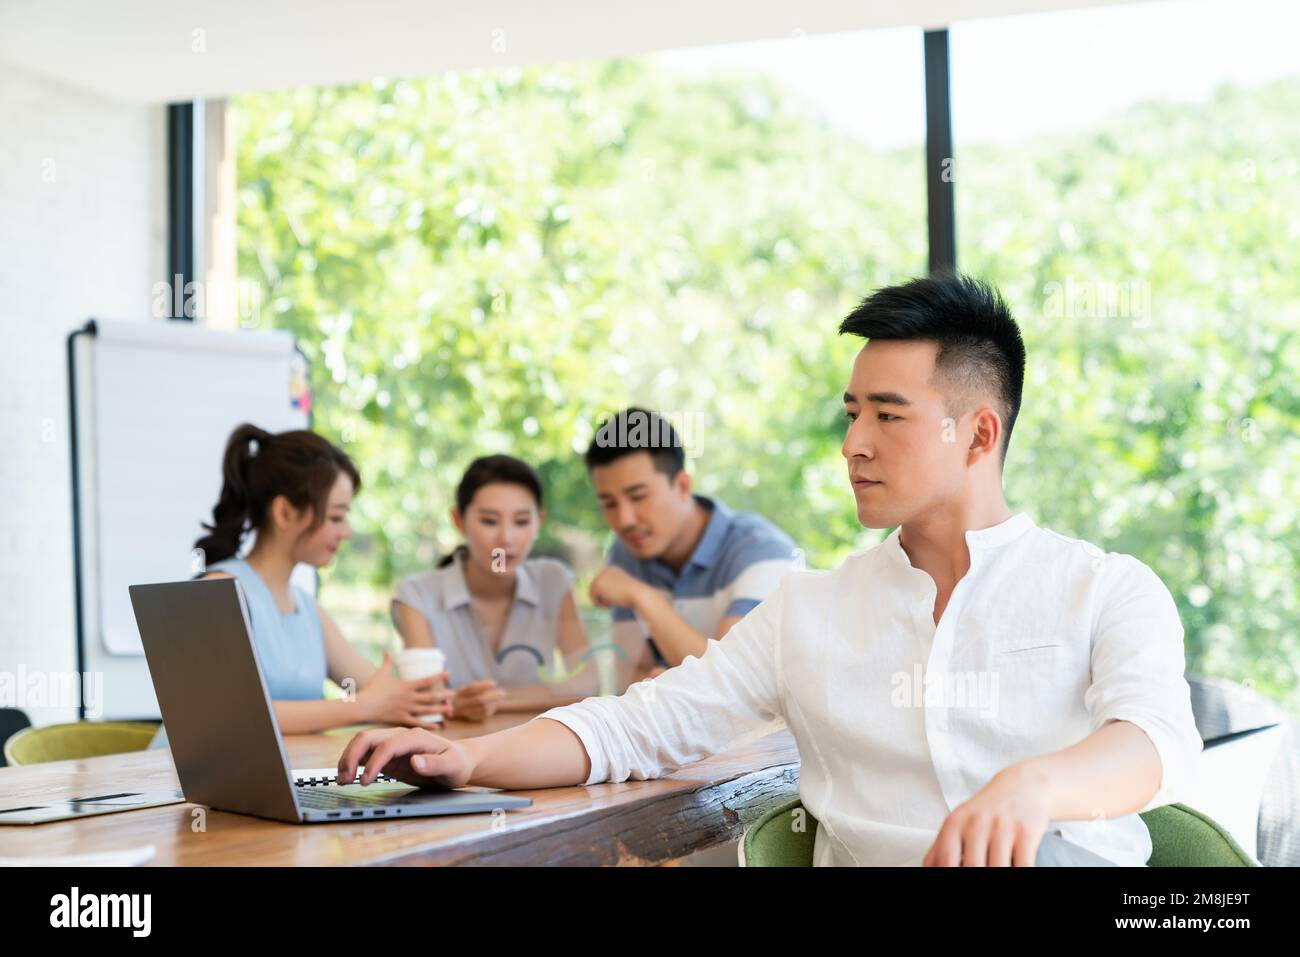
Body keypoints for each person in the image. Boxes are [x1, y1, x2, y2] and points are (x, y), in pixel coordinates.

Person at [336, 275, 1203, 867]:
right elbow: (637, 728)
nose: (853, 444)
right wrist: (468, 757)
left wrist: (1035, 783)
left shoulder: (1107, 588)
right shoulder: (809, 612)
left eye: (889, 416)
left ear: (978, 434)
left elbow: (1156, 742)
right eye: (851, 413)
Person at [193, 423, 452, 734]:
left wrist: (453, 702)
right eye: (336, 517)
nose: (347, 531)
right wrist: (362, 706)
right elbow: (232, 715)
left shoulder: (305, 608)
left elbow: (380, 692)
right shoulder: (220, 590)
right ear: (284, 512)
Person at [584, 407, 799, 676]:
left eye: (638, 496)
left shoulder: (764, 552)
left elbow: (730, 678)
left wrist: (643, 597)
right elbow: (633, 676)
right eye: (609, 503)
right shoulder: (626, 553)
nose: (624, 519)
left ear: (683, 486)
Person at [392, 455, 595, 722]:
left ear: (539, 522)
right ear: (458, 520)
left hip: (533, 751)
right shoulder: (416, 596)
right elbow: (429, 699)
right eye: (489, 521)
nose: (506, 539)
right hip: (449, 750)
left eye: (521, 522)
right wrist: (546, 694)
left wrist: (482, 701)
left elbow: (587, 684)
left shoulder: (552, 581)